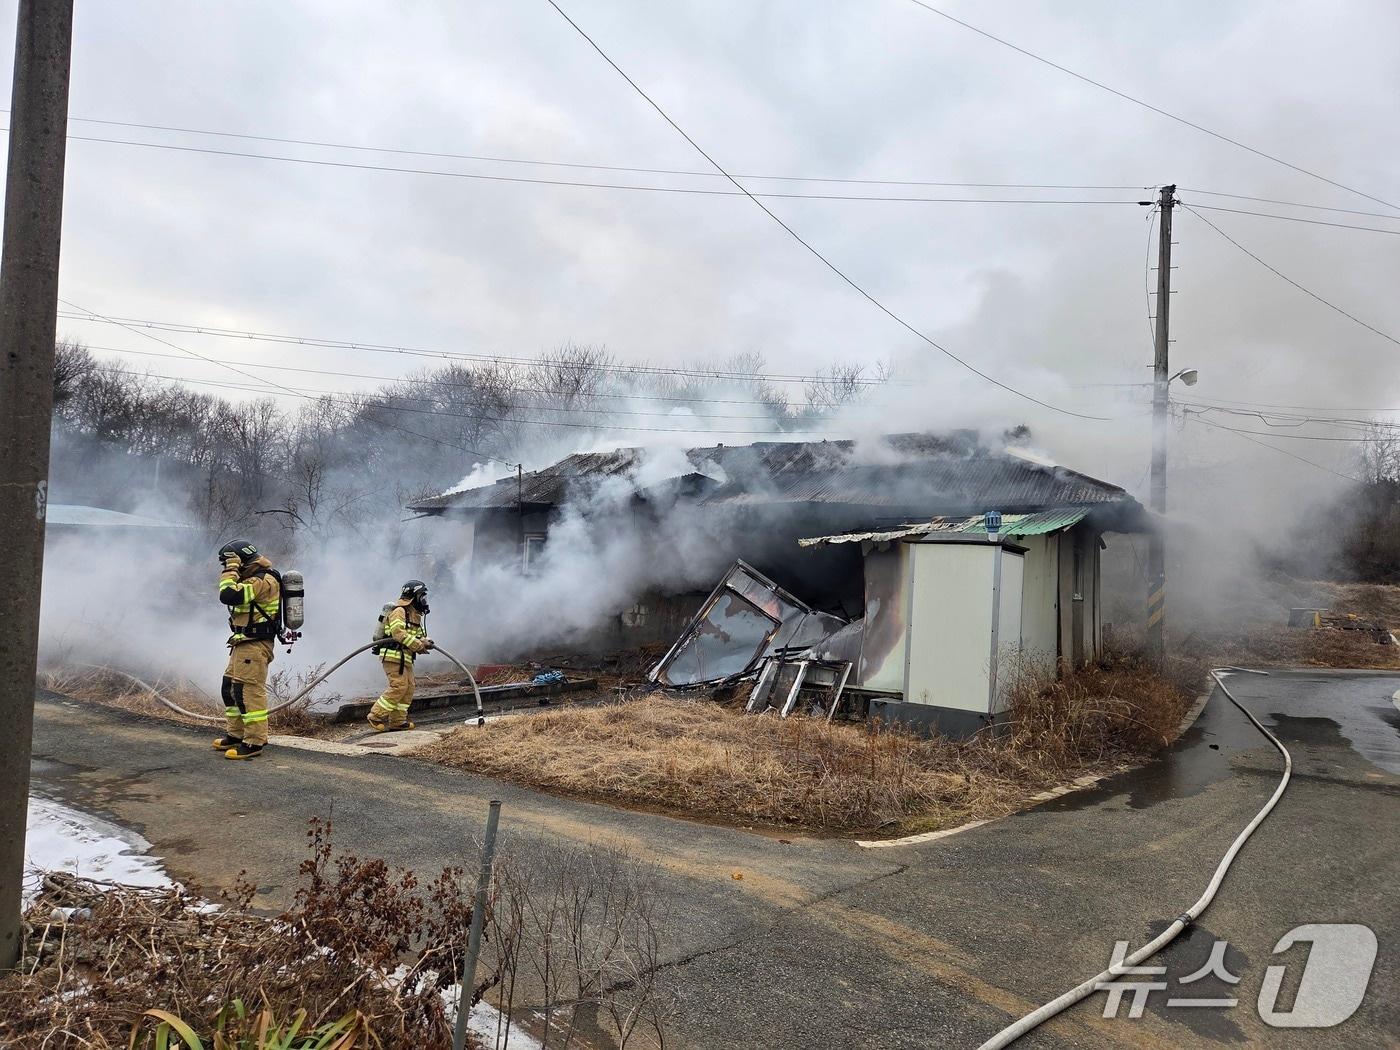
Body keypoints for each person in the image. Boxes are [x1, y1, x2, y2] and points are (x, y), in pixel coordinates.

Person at [214, 540, 281, 759]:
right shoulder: (252, 577)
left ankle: (254, 742)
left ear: (240, 560)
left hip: (255, 644)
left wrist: (231, 569)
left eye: (228, 562)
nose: (226, 567)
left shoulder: (263, 579)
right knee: (229, 688)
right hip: (242, 643)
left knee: (248, 693)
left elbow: (228, 595)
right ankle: (236, 734)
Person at [368, 580, 434, 732]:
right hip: (393, 656)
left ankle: (397, 721)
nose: (424, 600)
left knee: (409, 687)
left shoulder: (415, 615)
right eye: (422, 597)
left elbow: (418, 636)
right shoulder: (399, 611)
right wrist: (418, 645)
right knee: (398, 686)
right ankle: (375, 715)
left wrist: (425, 641)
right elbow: (398, 633)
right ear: (414, 596)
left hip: (406, 657)